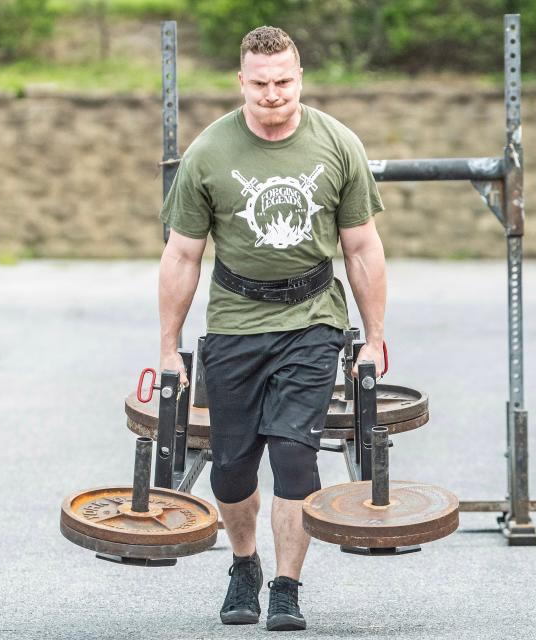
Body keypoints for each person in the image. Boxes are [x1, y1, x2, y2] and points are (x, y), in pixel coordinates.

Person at [158, 25, 387, 632]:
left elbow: (362, 248)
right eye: (260, 83)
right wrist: (167, 351)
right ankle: (244, 565)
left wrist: (374, 337)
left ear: (300, 78)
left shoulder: (337, 145)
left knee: (293, 453)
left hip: (312, 318)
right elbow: (182, 256)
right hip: (235, 320)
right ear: (241, 81)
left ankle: (287, 586)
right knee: (232, 465)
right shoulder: (209, 153)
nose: (272, 94)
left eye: (284, 81)